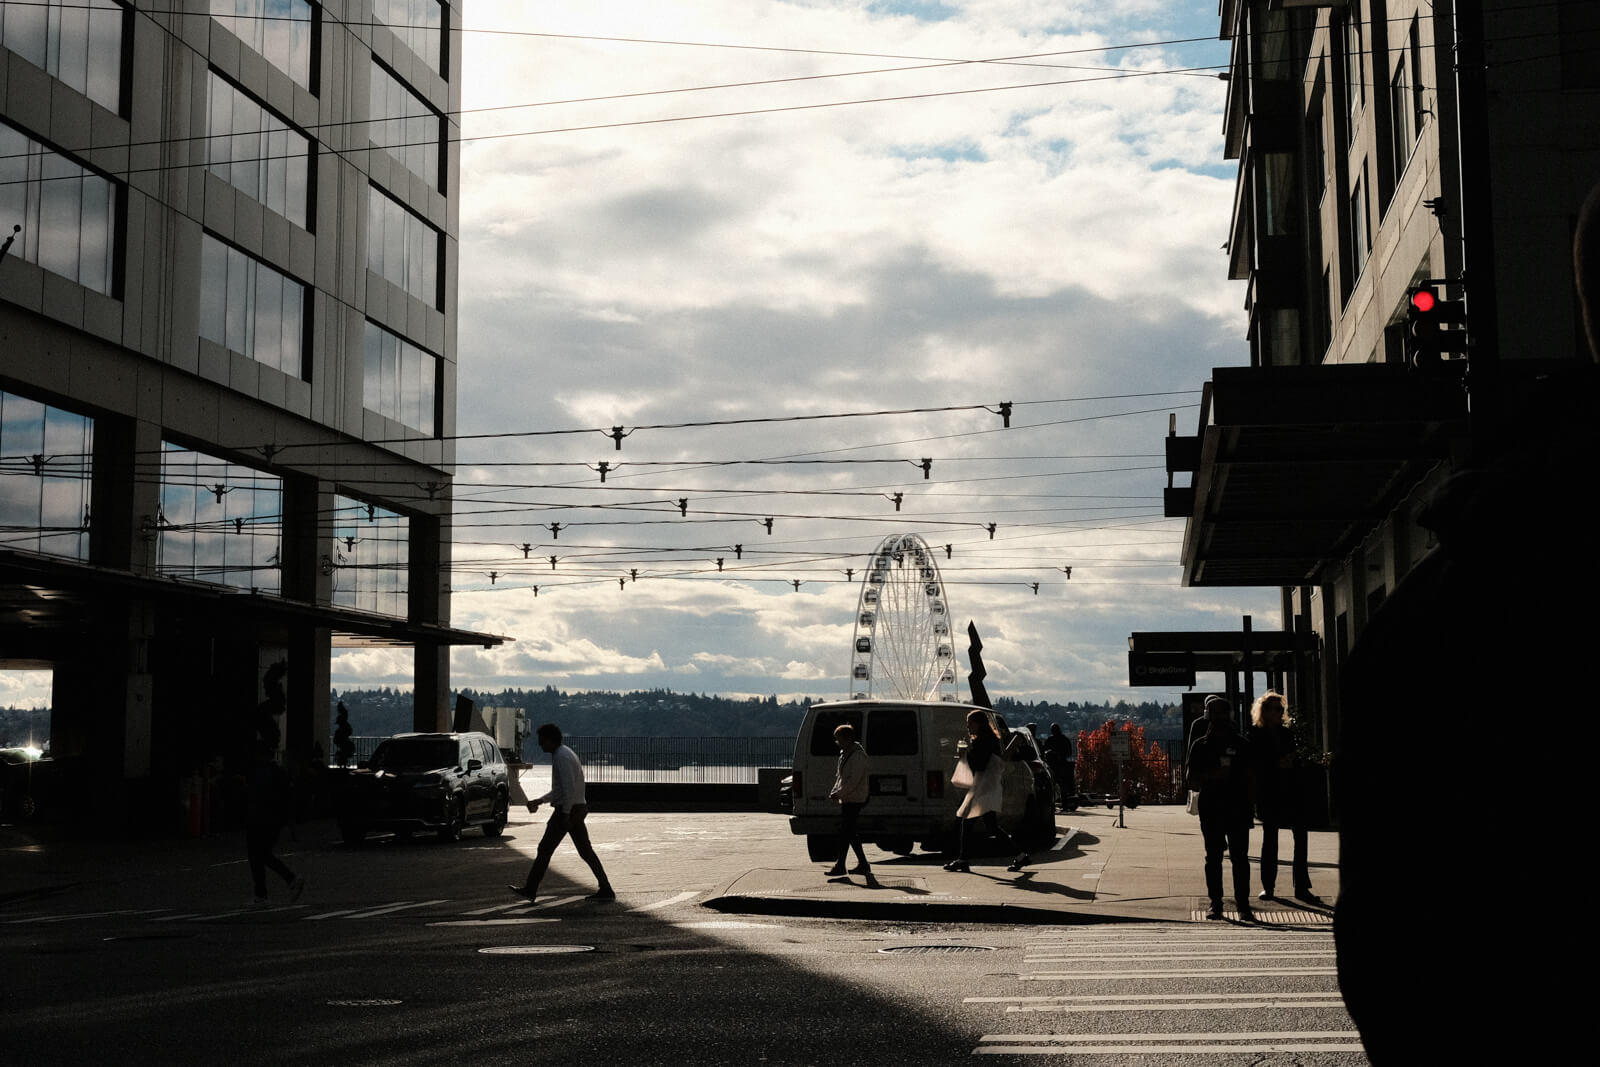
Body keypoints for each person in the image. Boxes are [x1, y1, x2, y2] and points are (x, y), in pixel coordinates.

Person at [508, 723, 615, 903]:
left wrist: (565, 815)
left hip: (569, 809)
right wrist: (540, 800)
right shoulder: (564, 753)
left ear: (550, 739)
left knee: (545, 849)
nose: (540, 745)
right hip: (577, 807)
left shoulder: (561, 757)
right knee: (585, 850)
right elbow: (561, 789)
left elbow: (568, 790)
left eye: (542, 741)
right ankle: (605, 888)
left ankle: (530, 889)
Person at [1185, 695, 1253, 921]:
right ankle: (1223, 903)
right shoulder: (1203, 746)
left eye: (1221, 713)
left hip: (1231, 805)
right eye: (1216, 714)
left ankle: (1236, 904)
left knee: (1231, 858)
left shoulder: (1239, 745)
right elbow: (1191, 779)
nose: (1219, 718)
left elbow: (1253, 776)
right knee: (1222, 857)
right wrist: (1215, 775)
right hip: (1220, 805)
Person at [1248, 691, 1319, 904]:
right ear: (1265, 711)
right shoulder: (1256, 734)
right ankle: (1268, 886)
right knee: (1271, 839)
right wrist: (1276, 763)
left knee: (1299, 837)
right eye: (1276, 709)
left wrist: (1290, 762)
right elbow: (1254, 764)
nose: (1279, 713)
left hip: (1291, 789)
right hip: (1271, 790)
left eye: (1281, 709)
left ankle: (1301, 886)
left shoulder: (1285, 733)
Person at [945, 710, 1029, 873]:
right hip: (988, 785)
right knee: (989, 825)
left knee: (970, 822)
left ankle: (963, 859)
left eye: (970, 723)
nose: (968, 727)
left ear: (979, 724)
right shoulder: (990, 739)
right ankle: (1020, 855)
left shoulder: (982, 741)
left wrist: (964, 754)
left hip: (984, 786)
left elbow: (979, 764)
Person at [244, 743, 304, 907]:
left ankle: (269, 890)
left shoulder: (261, 772)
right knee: (262, 854)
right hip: (273, 820)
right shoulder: (278, 772)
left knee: (258, 855)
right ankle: (266, 891)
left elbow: (257, 797)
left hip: (260, 819)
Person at [824, 723, 870, 877]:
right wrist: (835, 791)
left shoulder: (857, 755)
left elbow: (853, 780)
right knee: (849, 832)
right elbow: (841, 778)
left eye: (839, 739)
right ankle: (861, 864)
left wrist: (840, 793)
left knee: (846, 832)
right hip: (849, 797)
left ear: (848, 739)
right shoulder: (846, 754)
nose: (837, 743)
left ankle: (841, 865)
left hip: (855, 798)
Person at [1041, 724, 1073, 810]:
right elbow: (1069, 753)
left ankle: (1053, 805)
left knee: (1052, 786)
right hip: (1061, 765)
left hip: (1052, 765)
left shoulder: (1050, 740)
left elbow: (1044, 751)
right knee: (1062, 786)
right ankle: (1064, 805)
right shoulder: (1064, 740)